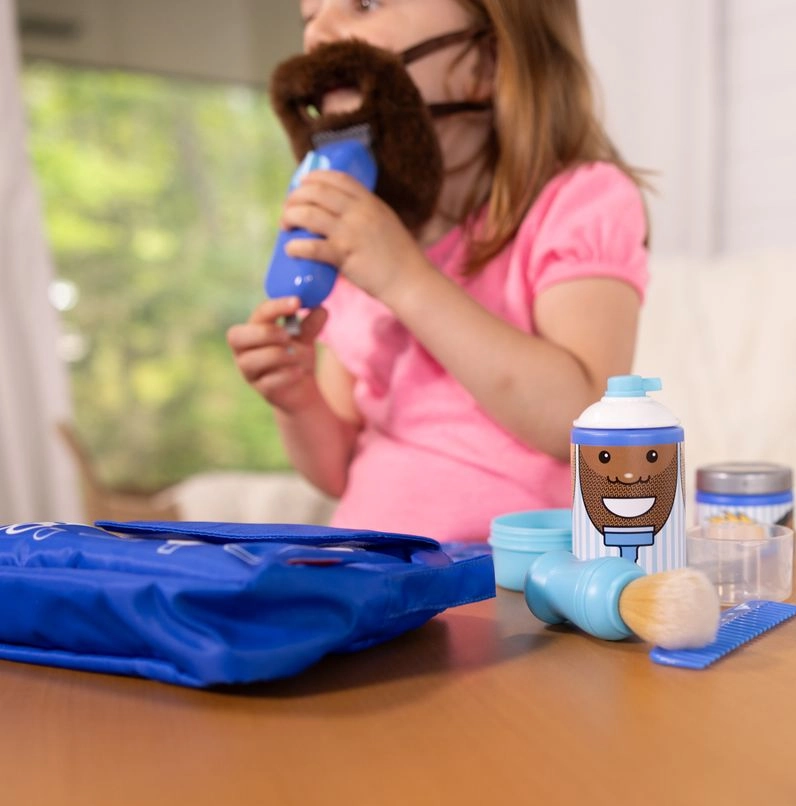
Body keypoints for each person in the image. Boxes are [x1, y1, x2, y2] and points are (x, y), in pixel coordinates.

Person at [227, 0, 648, 541]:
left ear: (487, 60)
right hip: (374, 577)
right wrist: (296, 397)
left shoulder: (581, 202)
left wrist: (404, 277)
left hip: (514, 587)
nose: (319, 35)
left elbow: (584, 421)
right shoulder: (361, 238)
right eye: (308, 17)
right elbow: (337, 471)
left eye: (365, 4)